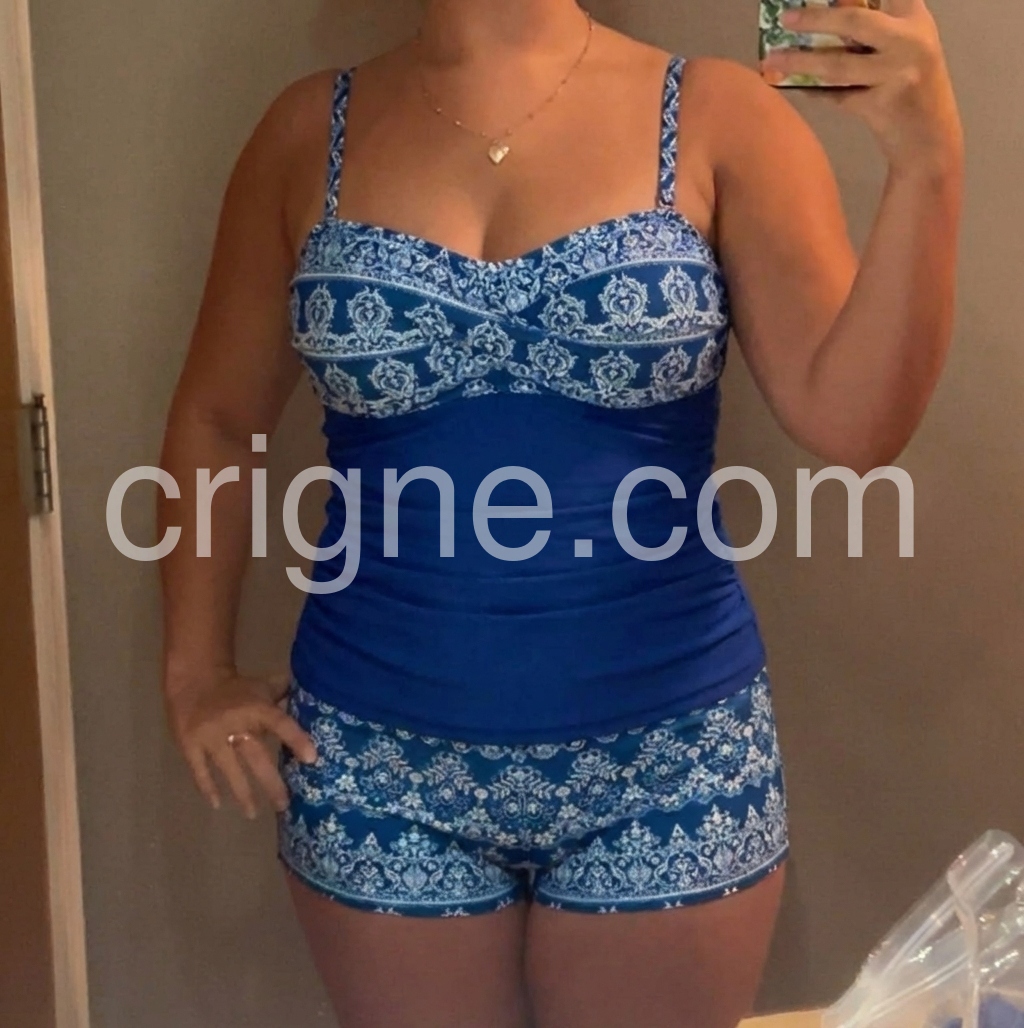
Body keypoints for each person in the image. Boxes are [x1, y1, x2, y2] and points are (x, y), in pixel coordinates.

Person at [156, 1, 962, 1025]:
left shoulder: (718, 114)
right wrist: (193, 673)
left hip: (672, 759)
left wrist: (927, 164)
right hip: (375, 764)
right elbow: (219, 418)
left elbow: (856, 425)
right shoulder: (305, 131)